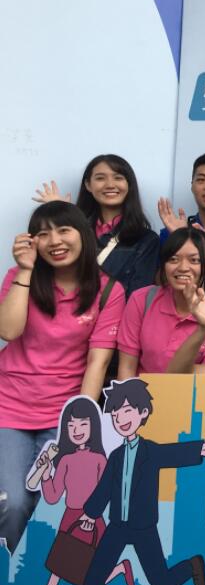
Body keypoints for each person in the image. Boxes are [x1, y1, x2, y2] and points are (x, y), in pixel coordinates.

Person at [0, 202, 124, 551]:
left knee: (56, 503)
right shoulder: (18, 277)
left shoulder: (108, 290)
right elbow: (8, 331)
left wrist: (80, 423)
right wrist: (25, 270)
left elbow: (98, 362)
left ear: (82, 234)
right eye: (43, 234)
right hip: (10, 407)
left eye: (63, 230)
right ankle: (8, 575)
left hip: (63, 414)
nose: (54, 241)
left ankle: (36, 578)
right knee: (14, 502)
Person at [53, 379, 205, 585]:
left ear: (143, 412)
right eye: (115, 414)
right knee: (97, 570)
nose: (121, 418)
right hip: (118, 525)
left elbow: (171, 453)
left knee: (161, 582)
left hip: (143, 526)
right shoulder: (116, 456)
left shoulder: (150, 451)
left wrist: (199, 449)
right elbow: (104, 488)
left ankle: (191, 566)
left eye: (127, 410)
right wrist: (89, 513)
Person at [23, 396, 134, 585]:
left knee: (89, 571)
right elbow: (53, 496)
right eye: (71, 424)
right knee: (59, 562)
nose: (77, 430)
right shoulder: (64, 460)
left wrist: (92, 515)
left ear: (94, 426)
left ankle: (120, 569)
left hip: (91, 517)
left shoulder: (100, 459)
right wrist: (45, 475)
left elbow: (107, 492)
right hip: (70, 516)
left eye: (83, 423)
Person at [116, 227, 205, 376]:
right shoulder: (141, 300)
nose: (182, 268)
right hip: (141, 390)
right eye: (173, 259)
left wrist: (204, 327)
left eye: (194, 260)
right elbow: (127, 368)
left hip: (195, 391)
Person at [36, 155, 160, 297]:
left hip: (116, 311)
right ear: (88, 185)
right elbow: (52, 274)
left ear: (129, 184)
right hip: (67, 309)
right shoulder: (74, 232)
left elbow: (138, 298)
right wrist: (61, 217)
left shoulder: (146, 240)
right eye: (100, 178)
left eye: (118, 177)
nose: (110, 184)